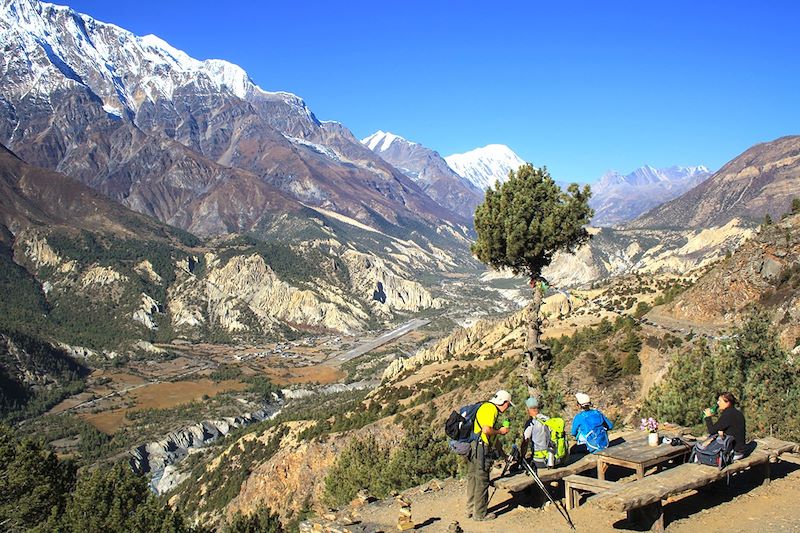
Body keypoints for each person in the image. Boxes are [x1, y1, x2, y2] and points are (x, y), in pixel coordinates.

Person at [466, 389, 513, 522]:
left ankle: (470, 509)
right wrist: (500, 431)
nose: (508, 407)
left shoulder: (485, 407)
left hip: (474, 445)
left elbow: (492, 438)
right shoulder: (490, 409)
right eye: (508, 404)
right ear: (504, 402)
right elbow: (487, 430)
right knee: (482, 479)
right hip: (481, 448)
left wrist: (503, 455)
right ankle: (480, 514)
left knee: (473, 477)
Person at [704, 391, 747, 460]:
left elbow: (711, 430)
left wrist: (708, 417)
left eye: (720, 401)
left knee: (703, 451)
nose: (718, 403)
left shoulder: (728, 414)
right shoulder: (737, 412)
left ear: (728, 403)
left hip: (734, 453)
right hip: (740, 450)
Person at [519, 396, 553, 466]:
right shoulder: (547, 419)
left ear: (528, 409)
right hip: (551, 457)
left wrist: (522, 456)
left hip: (539, 459)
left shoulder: (531, 423)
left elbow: (525, 442)